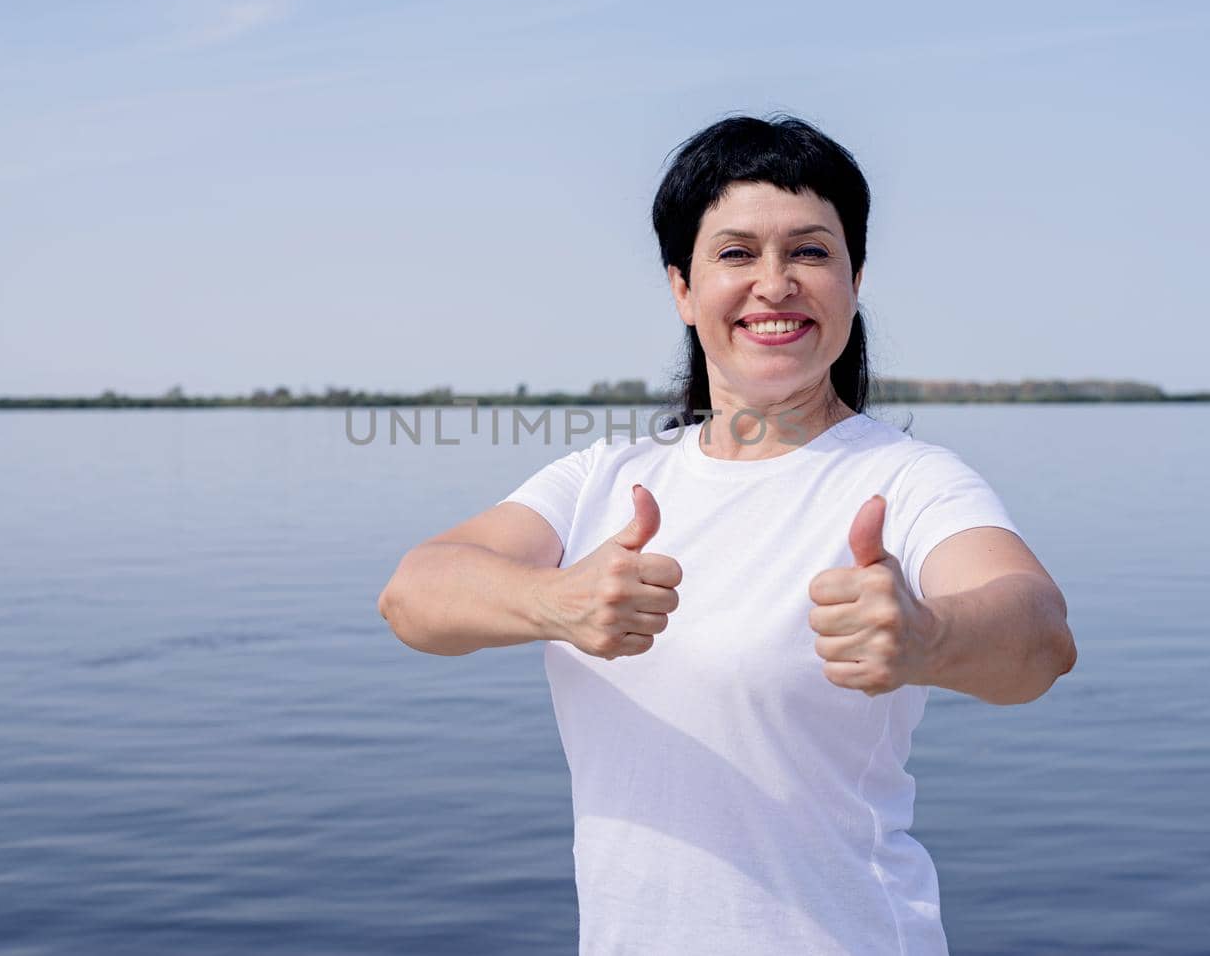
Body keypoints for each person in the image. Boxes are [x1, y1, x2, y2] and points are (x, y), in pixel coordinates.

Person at [377, 114, 1078, 954]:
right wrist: (551, 601)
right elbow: (413, 595)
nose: (775, 284)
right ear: (681, 286)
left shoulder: (907, 480)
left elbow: (1040, 637)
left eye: (811, 252)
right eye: (736, 253)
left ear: (855, 277)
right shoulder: (603, 478)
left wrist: (930, 635)